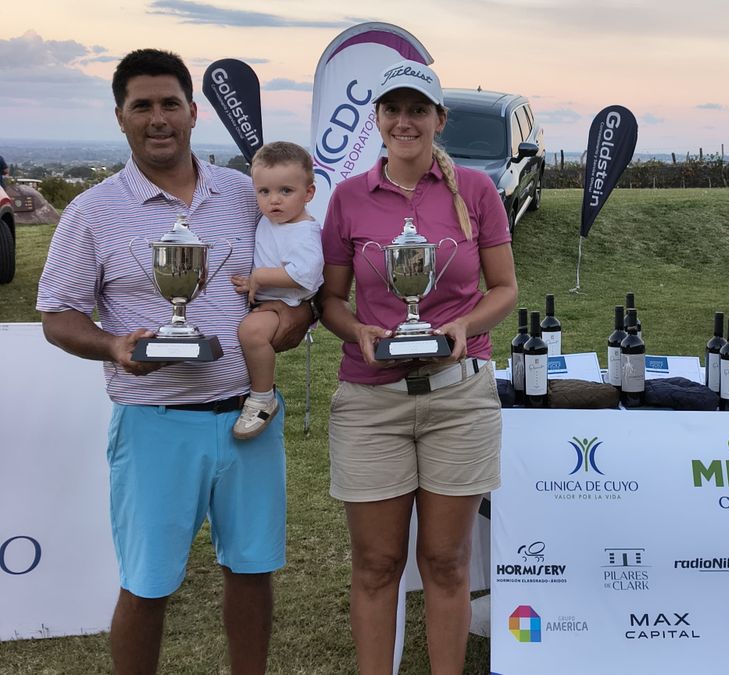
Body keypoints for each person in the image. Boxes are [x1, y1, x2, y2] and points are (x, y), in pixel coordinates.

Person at [36, 48, 311, 675]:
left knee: (252, 570)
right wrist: (110, 346)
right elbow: (58, 315)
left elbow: (296, 289)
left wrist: (291, 321)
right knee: (149, 581)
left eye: (169, 104)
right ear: (120, 117)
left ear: (193, 112)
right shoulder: (92, 212)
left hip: (248, 416)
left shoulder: (250, 195)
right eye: (142, 106)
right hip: (154, 420)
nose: (158, 118)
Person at [318, 58, 517, 674]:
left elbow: (504, 288)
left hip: (458, 396)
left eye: (418, 110)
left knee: (447, 561)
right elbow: (330, 300)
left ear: (439, 119)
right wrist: (358, 330)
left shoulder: (478, 192)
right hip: (371, 401)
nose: (405, 121)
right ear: (377, 119)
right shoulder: (349, 197)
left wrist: (465, 325)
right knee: (376, 565)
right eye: (393, 110)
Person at [231, 141, 323, 439]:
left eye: (286, 191)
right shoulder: (272, 222)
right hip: (269, 299)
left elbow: (305, 275)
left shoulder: (305, 231)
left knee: (251, 332)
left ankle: (262, 397)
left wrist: (260, 277)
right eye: (264, 192)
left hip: (287, 303)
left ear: (308, 193)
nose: (274, 201)